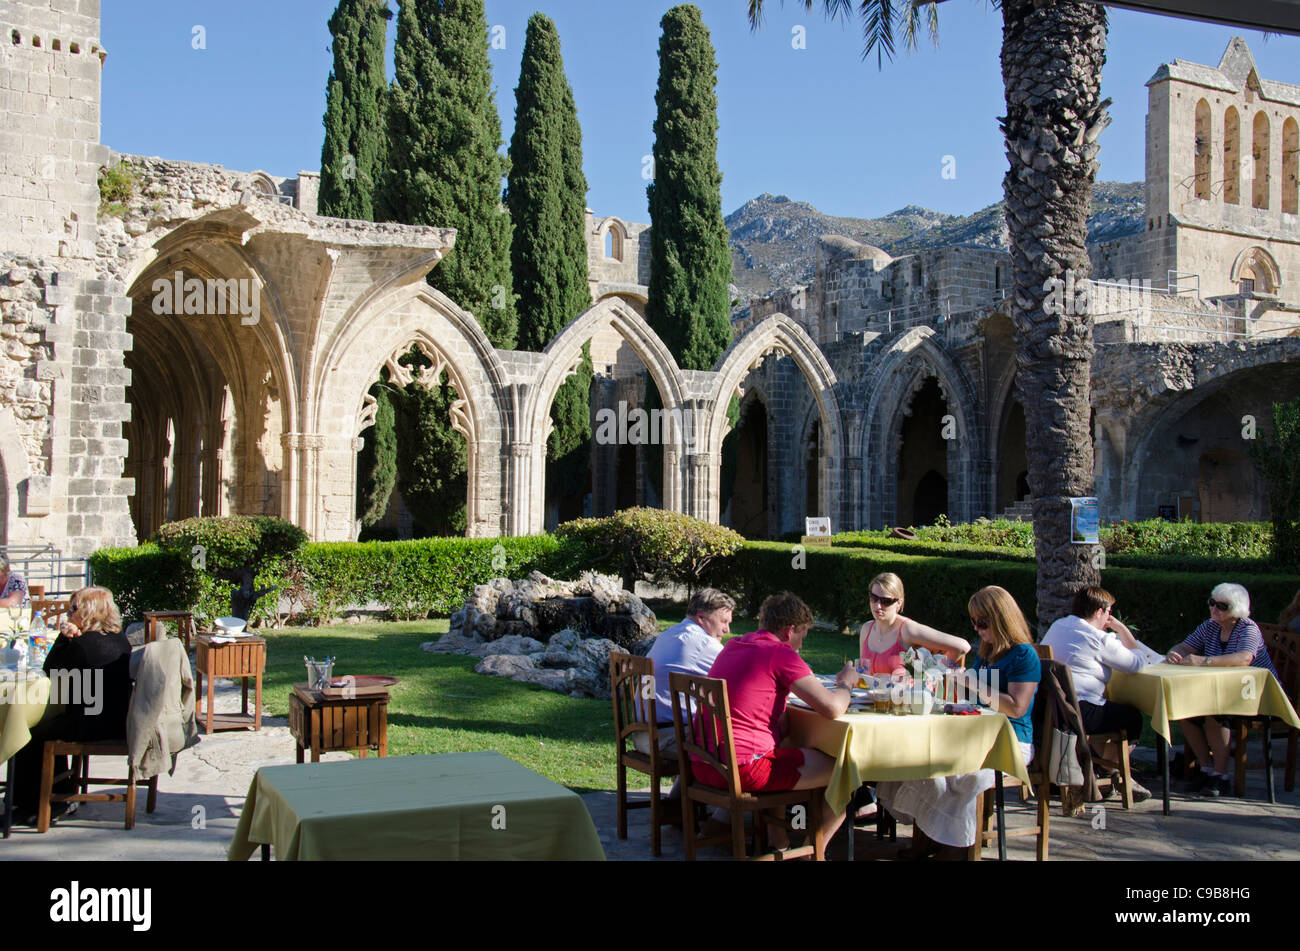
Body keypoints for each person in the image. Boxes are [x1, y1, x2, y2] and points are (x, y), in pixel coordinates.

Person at [876, 585, 1039, 860]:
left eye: (982, 622)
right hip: (972, 737)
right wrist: (945, 676)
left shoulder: (1024, 655)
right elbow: (970, 694)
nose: (977, 628)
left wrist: (973, 683)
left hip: (1009, 743)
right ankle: (928, 841)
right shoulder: (987, 652)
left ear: (1001, 619)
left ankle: (957, 850)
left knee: (963, 778)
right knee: (925, 766)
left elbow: (1016, 707)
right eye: (974, 622)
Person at [693, 591, 856, 850]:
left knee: (782, 748)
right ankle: (813, 852)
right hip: (742, 769)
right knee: (845, 772)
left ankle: (777, 839)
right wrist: (845, 684)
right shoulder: (780, 653)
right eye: (803, 634)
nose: (802, 643)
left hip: (703, 763)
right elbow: (833, 708)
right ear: (790, 630)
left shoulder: (734, 645)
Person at [10, 586, 133, 824]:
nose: (68, 613)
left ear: (89, 611)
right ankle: (58, 793)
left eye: (73, 608)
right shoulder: (119, 638)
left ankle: (36, 803)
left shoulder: (83, 644)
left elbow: (51, 673)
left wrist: (63, 638)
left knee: (29, 732)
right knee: (53, 726)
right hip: (117, 719)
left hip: (93, 723)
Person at [1165, 582, 1278, 798]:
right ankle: (1206, 768)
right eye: (1212, 603)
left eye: (1222, 606)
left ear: (1236, 609)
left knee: (1214, 712)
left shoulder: (1248, 628)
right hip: (1223, 692)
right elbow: (1186, 646)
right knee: (1184, 709)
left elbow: (1244, 658)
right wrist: (1175, 652)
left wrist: (1203, 661)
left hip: (1254, 695)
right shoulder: (1210, 626)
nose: (1214, 609)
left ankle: (1221, 775)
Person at [1041, 585, 1151, 802]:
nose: (1109, 618)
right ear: (1099, 612)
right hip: (1079, 712)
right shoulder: (1099, 639)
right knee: (1132, 717)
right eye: (1109, 612)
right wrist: (1122, 630)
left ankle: (1101, 769)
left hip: (1050, 709)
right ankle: (1109, 772)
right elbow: (1137, 664)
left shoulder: (1058, 626)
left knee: (1109, 709)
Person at [634, 587, 734, 756]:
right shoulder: (704, 644)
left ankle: (682, 784)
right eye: (723, 621)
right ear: (701, 616)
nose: (727, 630)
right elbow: (742, 680)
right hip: (668, 738)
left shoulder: (669, 634)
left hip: (643, 733)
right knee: (735, 747)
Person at [857, 572, 968, 676]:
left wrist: (937, 670)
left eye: (886, 601)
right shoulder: (867, 629)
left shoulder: (907, 630)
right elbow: (863, 674)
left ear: (899, 602)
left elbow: (962, 646)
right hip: (869, 696)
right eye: (873, 598)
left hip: (904, 696)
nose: (878, 606)